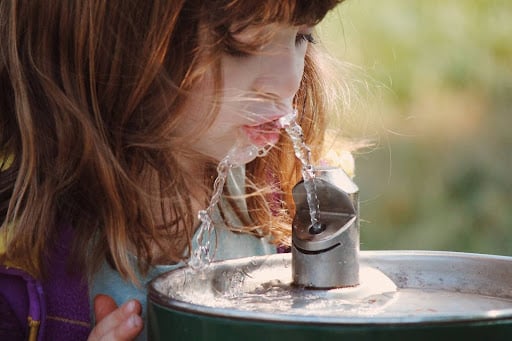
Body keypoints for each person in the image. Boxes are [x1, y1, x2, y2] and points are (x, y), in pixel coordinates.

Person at [0, 0, 346, 340]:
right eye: (240, 44)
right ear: (119, 45)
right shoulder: (25, 276)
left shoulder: (294, 204)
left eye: (303, 36)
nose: (287, 81)